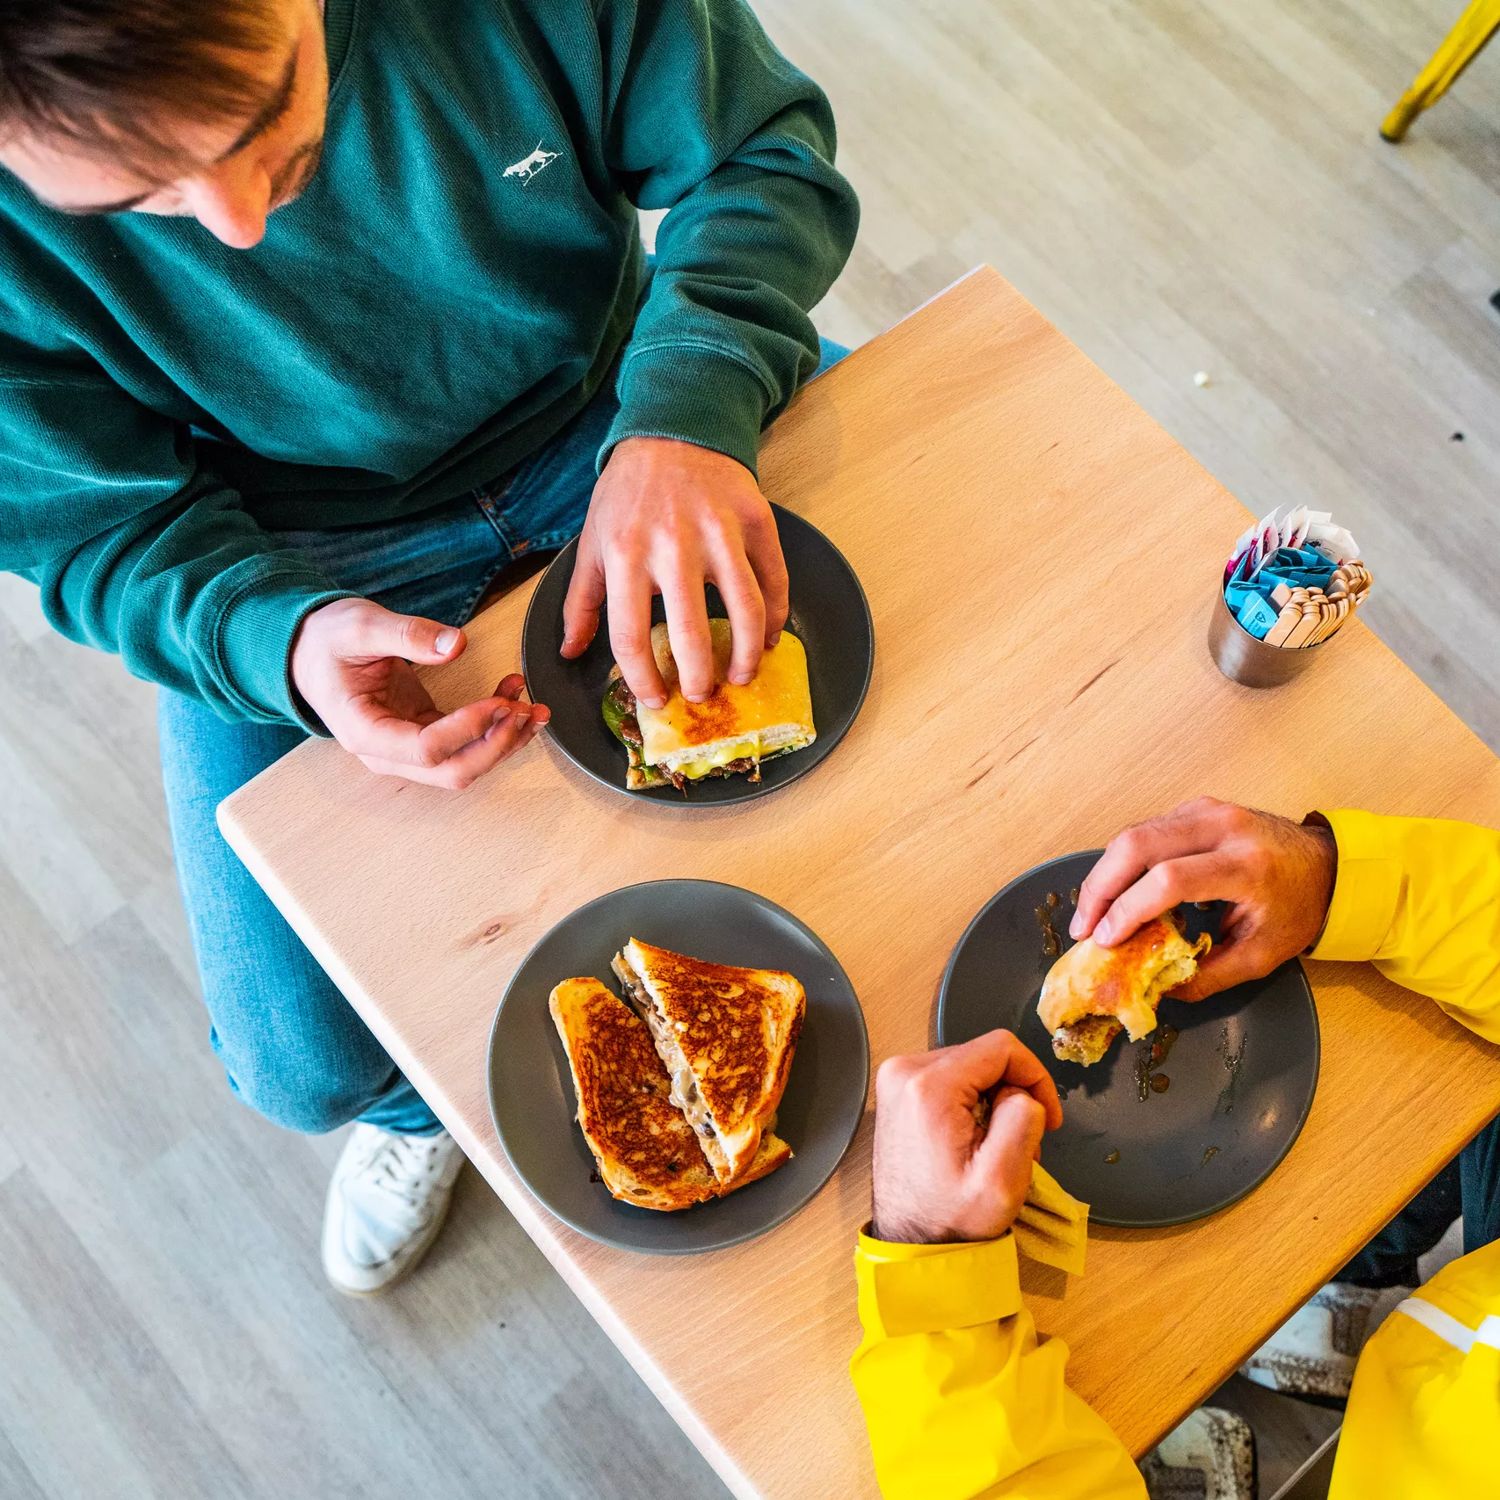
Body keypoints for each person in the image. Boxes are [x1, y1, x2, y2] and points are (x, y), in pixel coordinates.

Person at [0, 0, 856, 1293]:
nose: (240, 221)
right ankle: (422, 1113)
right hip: (282, 548)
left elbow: (761, 152)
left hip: (618, 391)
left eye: (260, 110)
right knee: (305, 1063)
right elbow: (86, 524)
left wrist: (692, 405)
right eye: (137, 199)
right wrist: (268, 638)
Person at [852, 797, 1500, 1498]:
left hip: (1404, 1447)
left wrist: (937, 1293)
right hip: (1465, 1326)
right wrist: (1357, 885)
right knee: (1390, 1217)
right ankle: (1354, 1296)